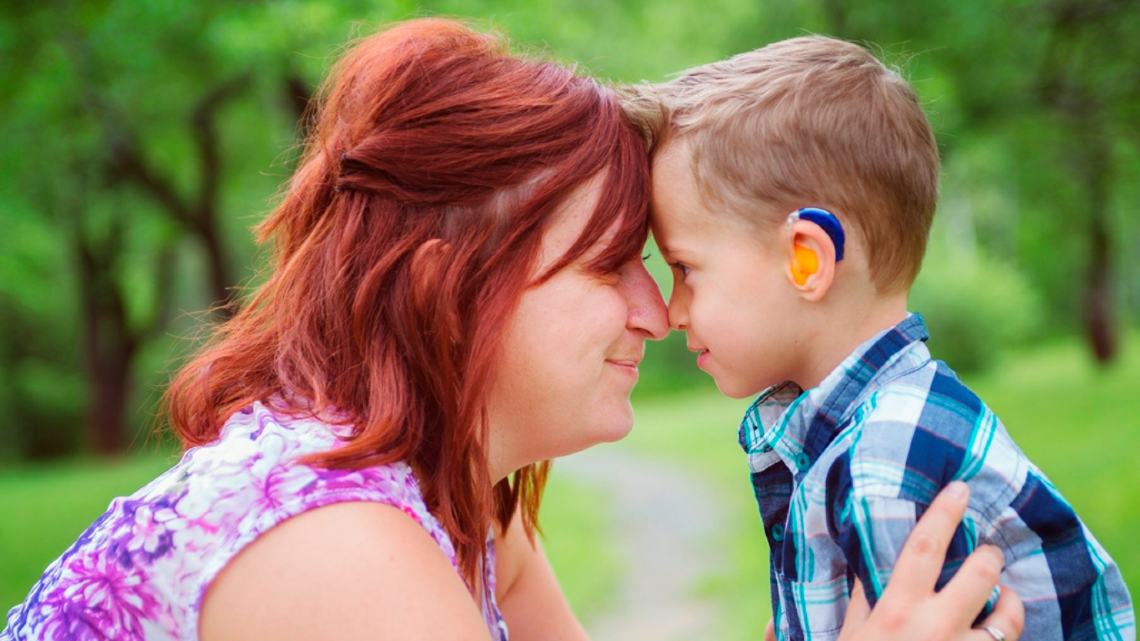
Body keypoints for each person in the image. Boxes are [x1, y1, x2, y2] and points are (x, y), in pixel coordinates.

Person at [3, 20, 1024, 641]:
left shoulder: (460, 499)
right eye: (608, 261)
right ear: (457, 283)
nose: (653, 310)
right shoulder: (340, 548)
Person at [634, 35, 1134, 641]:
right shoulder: (863, 436)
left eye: (684, 269)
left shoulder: (888, 459)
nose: (671, 311)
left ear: (806, 261)